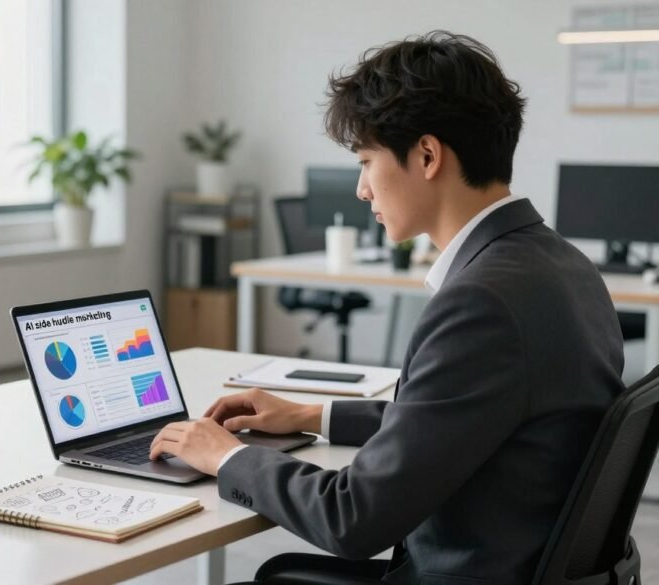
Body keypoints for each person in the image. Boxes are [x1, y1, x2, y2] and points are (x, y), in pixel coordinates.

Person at [149, 31, 625, 584]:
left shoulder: (482, 302)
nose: (362, 189)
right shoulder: (561, 264)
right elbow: (461, 415)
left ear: (426, 155)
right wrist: (312, 416)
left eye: (367, 160)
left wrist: (225, 456)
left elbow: (352, 519)